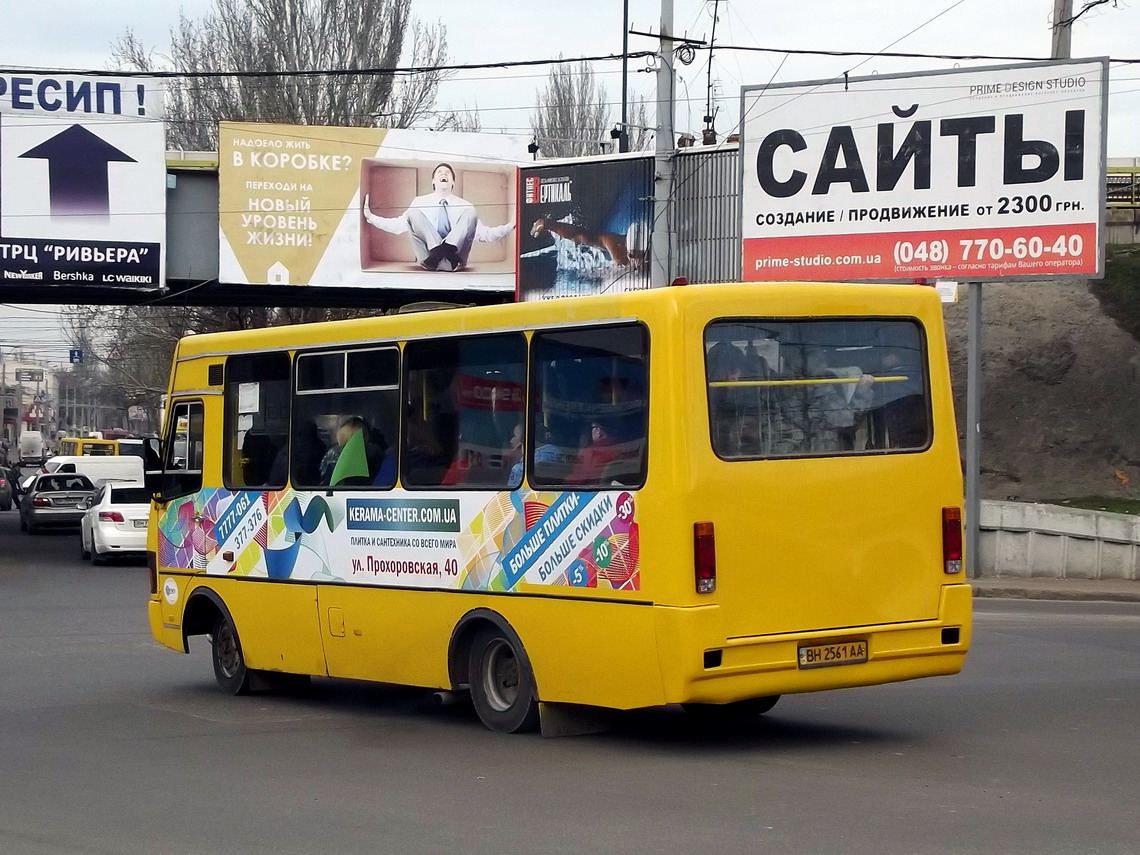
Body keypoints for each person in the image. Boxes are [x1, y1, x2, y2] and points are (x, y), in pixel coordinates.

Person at [362, 162, 515, 272]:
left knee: (470, 213)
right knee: (413, 213)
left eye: (447, 173)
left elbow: (485, 235)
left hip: (456, 261)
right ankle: (438, 251)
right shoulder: (420, 201)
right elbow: (398, 226)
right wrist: (371, 217)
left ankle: (448, 249)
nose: (443, 174)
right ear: (433, 181)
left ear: (453, 182)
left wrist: (510, 226)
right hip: (429, 260)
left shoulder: (466, 206)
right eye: (439, 172)